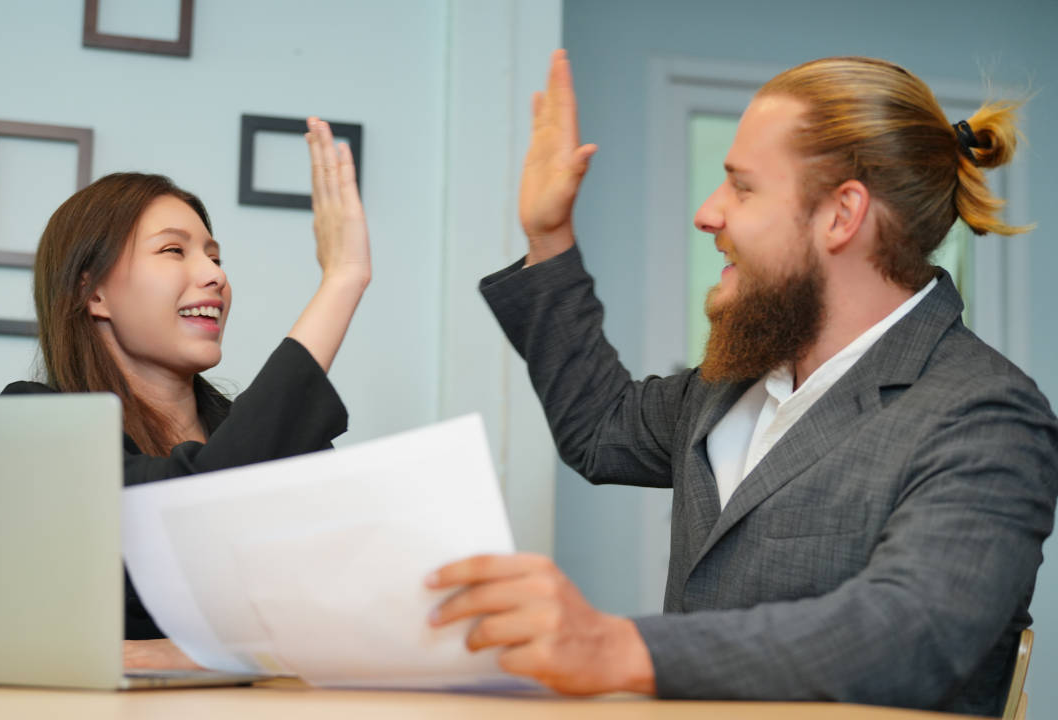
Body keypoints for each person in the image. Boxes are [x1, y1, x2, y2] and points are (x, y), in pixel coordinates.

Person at [427, 50, 1058, 715]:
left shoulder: (986, 415)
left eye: (743, 186)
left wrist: (615, 649)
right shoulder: (736, 383)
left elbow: (909, 631)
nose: (708, 212)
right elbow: (601, 428)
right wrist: (548, 235)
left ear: (842, 215)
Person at [2, 118, 369, 654]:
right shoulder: (35, 422)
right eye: (174, 251)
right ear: (93, 293)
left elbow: (347, 592)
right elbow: (199, 506)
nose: (214, 275)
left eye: (215, 256)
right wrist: (342, 280)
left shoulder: (251, 430)